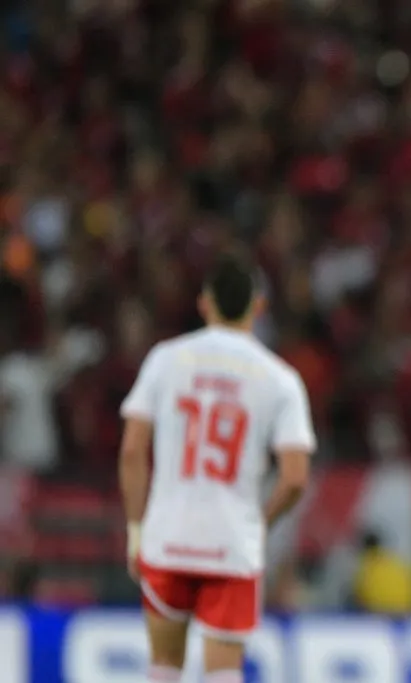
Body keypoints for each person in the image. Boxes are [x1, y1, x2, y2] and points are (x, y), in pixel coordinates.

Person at [118, 250, 316, 683]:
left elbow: (133, 451)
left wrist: (136, 529)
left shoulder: (165, 359)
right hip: (231, 540)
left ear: (203, 303)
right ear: (258, 306)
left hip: (167, 536)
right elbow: (296, 477)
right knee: (223, 674)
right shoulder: (280, 378)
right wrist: (261, 523)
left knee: (163, 669)